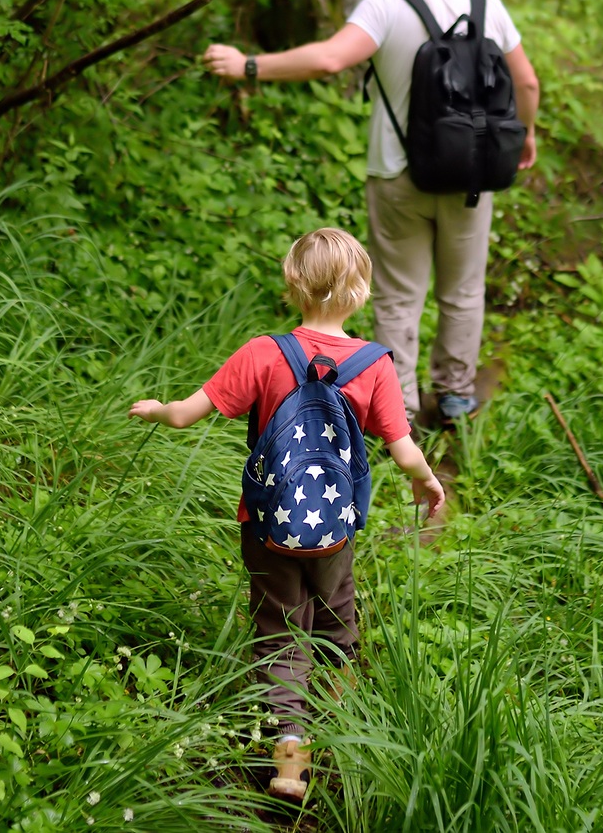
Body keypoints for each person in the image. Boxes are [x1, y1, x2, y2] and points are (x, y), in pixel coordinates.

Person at [128, 227, 446, 801]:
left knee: (278, 634)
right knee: (337, 624)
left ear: (293, 282)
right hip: (335, 530)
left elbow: (185, 415)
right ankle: (341, 732)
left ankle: (289, 761)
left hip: (267, 527)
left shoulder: (263, 353)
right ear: (363, 291)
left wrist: (155, 410)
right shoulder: (374, 366)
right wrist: (427, 484)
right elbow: (403, 450)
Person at [202, 0, 540, 424]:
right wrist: (527, 135)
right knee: (464, 290)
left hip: (398, 173)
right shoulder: (487, 5)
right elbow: (528, 82)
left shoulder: (386, 4)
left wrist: (248, 65)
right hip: (472, 175)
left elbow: (330, 59)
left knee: (400, 296)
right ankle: (454, 395)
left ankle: (397, 410)